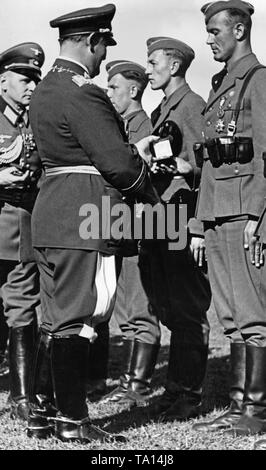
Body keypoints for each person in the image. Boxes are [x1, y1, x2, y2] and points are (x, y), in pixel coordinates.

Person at [27, 4, 160, 443]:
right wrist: (148, 188)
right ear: (90, 41)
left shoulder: (45, 89)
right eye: (103, 46)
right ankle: (72, 420)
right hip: (86, 214)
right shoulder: (83, 92)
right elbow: (118, 164)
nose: (103, 59)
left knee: (53, 319)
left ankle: (42, 413)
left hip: (50, 214)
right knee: (82, 319)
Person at [192, 0, 266, 437]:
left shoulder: (258, 81)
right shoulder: (221, 83)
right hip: (218, 213)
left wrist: (260, 215)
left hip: (245, 212)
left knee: (254, 312)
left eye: (215, 31)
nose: (209, 39)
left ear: (239, 31)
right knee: (230, 315)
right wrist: (200, 223)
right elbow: (208, 163)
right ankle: (238, 404)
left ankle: (257, 409)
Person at [140, 37, 211, 421]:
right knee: (168, 305)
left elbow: (210, 169)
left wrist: (198, 226)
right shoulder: (161, 109)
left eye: (153, 63)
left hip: (183, 216)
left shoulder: (193, 106)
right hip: (162, 217)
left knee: (187, 307)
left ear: (175, 66)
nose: (148, 69)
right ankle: (176, 386)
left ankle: (190, 391)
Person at [97, 60, 160, 407]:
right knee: (124, 308)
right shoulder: (124, 125)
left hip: (138, 227)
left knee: (139, 308)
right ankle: (128, 383)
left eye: (114, 88)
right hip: (123, 225)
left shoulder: (140, 126)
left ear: (133, 91)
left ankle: (138, 386)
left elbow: (134, 175)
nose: (109, 94)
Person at [0, 43, 44, 420]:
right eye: (24, 77)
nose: (31, 85)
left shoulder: (37, 122)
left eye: (35, 78)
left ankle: (22, 398)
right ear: (3, 82)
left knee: (23, 308)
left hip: (25, 227)